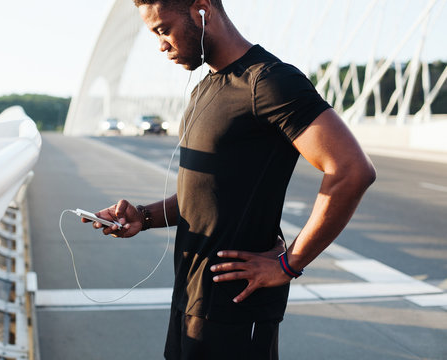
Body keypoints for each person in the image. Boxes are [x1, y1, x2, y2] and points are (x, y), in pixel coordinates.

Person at [85, 0, 376, 358]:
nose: (161, 45)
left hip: (236, 311)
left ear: (201, 9)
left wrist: (290, 263)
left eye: (163, 30)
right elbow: (206, 196)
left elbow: (351, 170)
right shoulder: (202, 90)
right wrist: (143, 217)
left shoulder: (268, 81)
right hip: (191, 301)